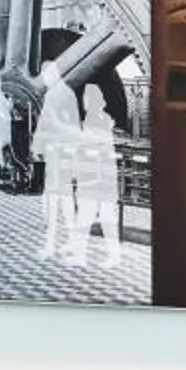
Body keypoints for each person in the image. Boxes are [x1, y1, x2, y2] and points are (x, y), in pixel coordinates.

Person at [72, 85, 124, 268]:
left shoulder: (92, 121)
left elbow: (91, 149)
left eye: (86, 98)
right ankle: (114, 255)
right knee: (108, 218)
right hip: (107, 177)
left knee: (85, 217)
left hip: (93, 178)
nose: (84, 102)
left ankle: (79, 255)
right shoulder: (105, 118)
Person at [35, 75, 83, 260]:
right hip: (58, 161)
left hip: (59, 161)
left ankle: (58, 244)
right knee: (60, 203)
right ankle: (63, 243)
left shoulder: (57, 97)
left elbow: (45, 126)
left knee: (57, 204)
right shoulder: (63, 97)